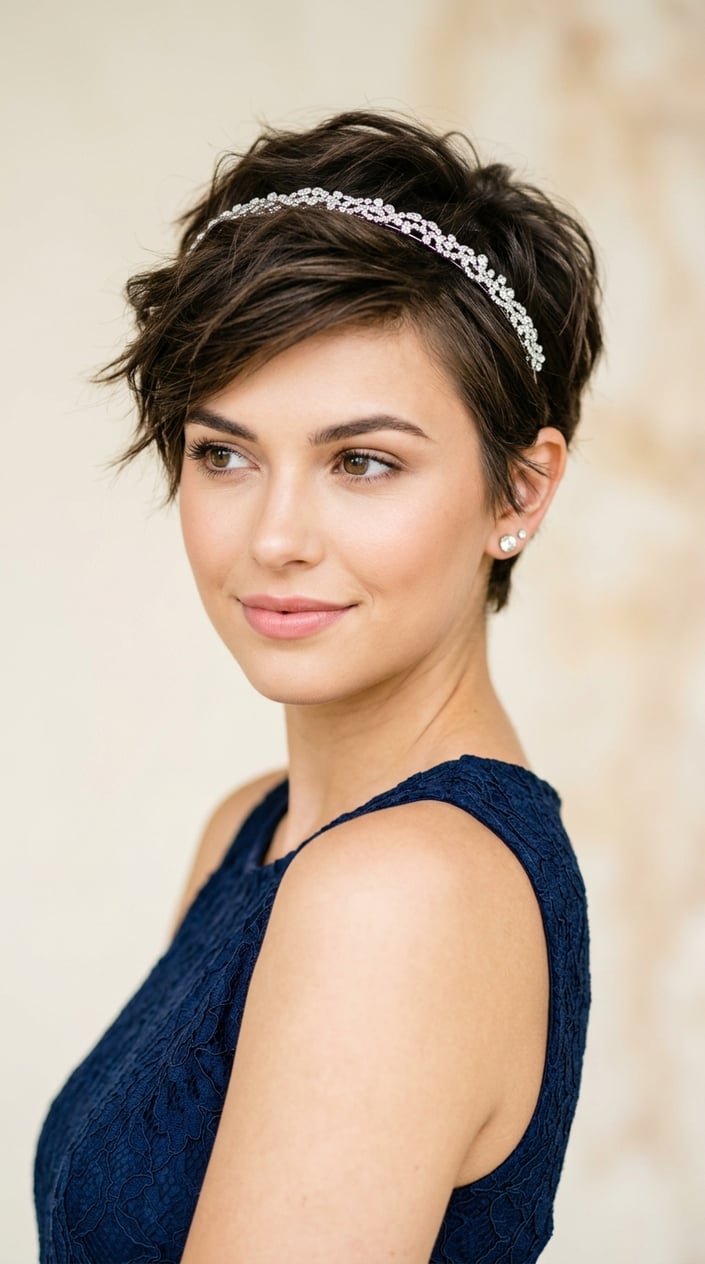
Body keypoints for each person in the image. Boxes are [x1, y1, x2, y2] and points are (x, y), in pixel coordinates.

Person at [33, 110, 602, 1263]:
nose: (276, 535)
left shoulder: (401, 891)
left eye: (363, 461)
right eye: (225, 454)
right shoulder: (252, 829)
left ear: (519, 494)